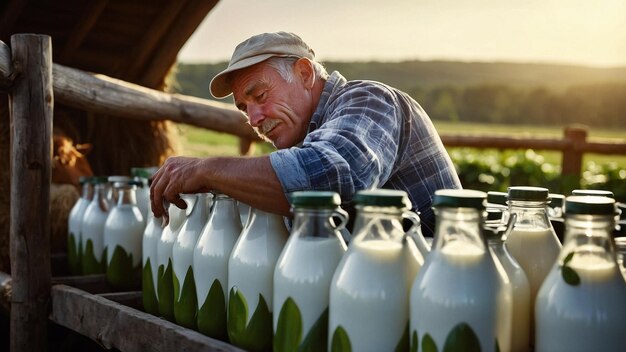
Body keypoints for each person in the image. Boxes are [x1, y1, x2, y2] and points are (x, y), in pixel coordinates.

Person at [150, 31, 461, 236]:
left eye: (259, 96)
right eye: (244, 109)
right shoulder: (308, 137)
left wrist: (207, 170)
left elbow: (330, 177)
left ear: (304, 73)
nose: (255, 119)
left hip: (438, 298)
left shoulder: (369, 100)